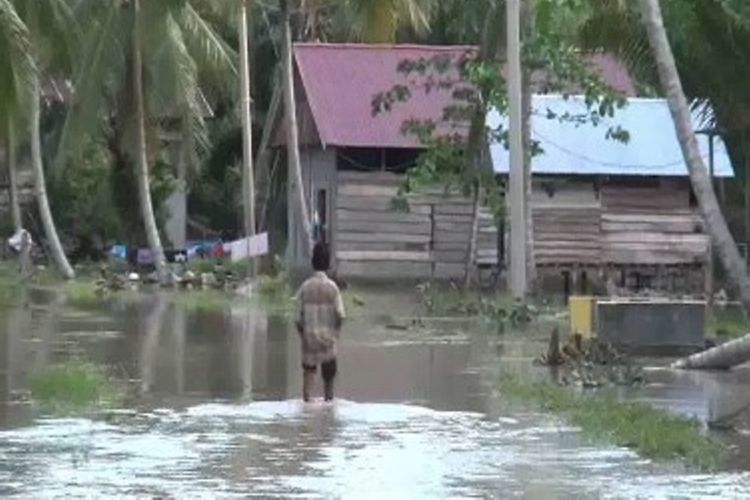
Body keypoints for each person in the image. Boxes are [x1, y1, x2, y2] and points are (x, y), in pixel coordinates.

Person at [295, 243, 345, 402]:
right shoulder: (333, 288)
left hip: (309, 341)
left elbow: (297, 318)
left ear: (312, 262)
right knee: (329, 387)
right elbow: (341, 315)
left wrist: (303, 335)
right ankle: (328, 418)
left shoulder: (305, 287)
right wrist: (335, 334)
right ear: (328, 263)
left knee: (308, 383)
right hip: (328, 342)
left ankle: (306, 418)